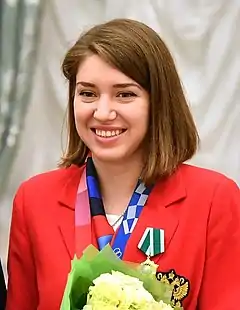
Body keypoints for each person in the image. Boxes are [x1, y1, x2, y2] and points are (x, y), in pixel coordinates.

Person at [6, 18, 240, 310]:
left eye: (125, 94)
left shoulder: (214, 200)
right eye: (88, 93)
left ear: (159, 103)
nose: (103, 112)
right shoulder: (34, 201)